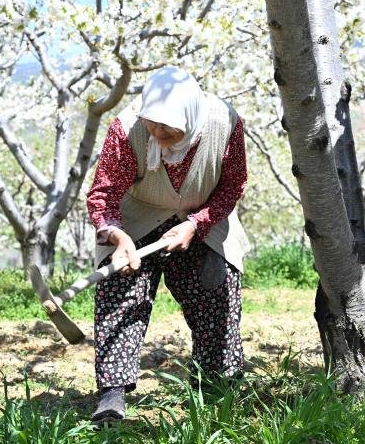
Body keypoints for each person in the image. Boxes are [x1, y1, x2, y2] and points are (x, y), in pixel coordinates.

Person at [85, 66, 249, 423]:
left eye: (167, 129)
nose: (157, 135)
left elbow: (233, 185)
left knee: (215, 287)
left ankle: (215, 384)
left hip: (202, 214)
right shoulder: (126, 129)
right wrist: (117, 235)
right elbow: (104, 194)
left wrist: (196, 224)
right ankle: (113, 394)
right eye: (151, 125)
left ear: (189, 118)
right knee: (121, 289)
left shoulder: (225, 124)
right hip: (138, 215)